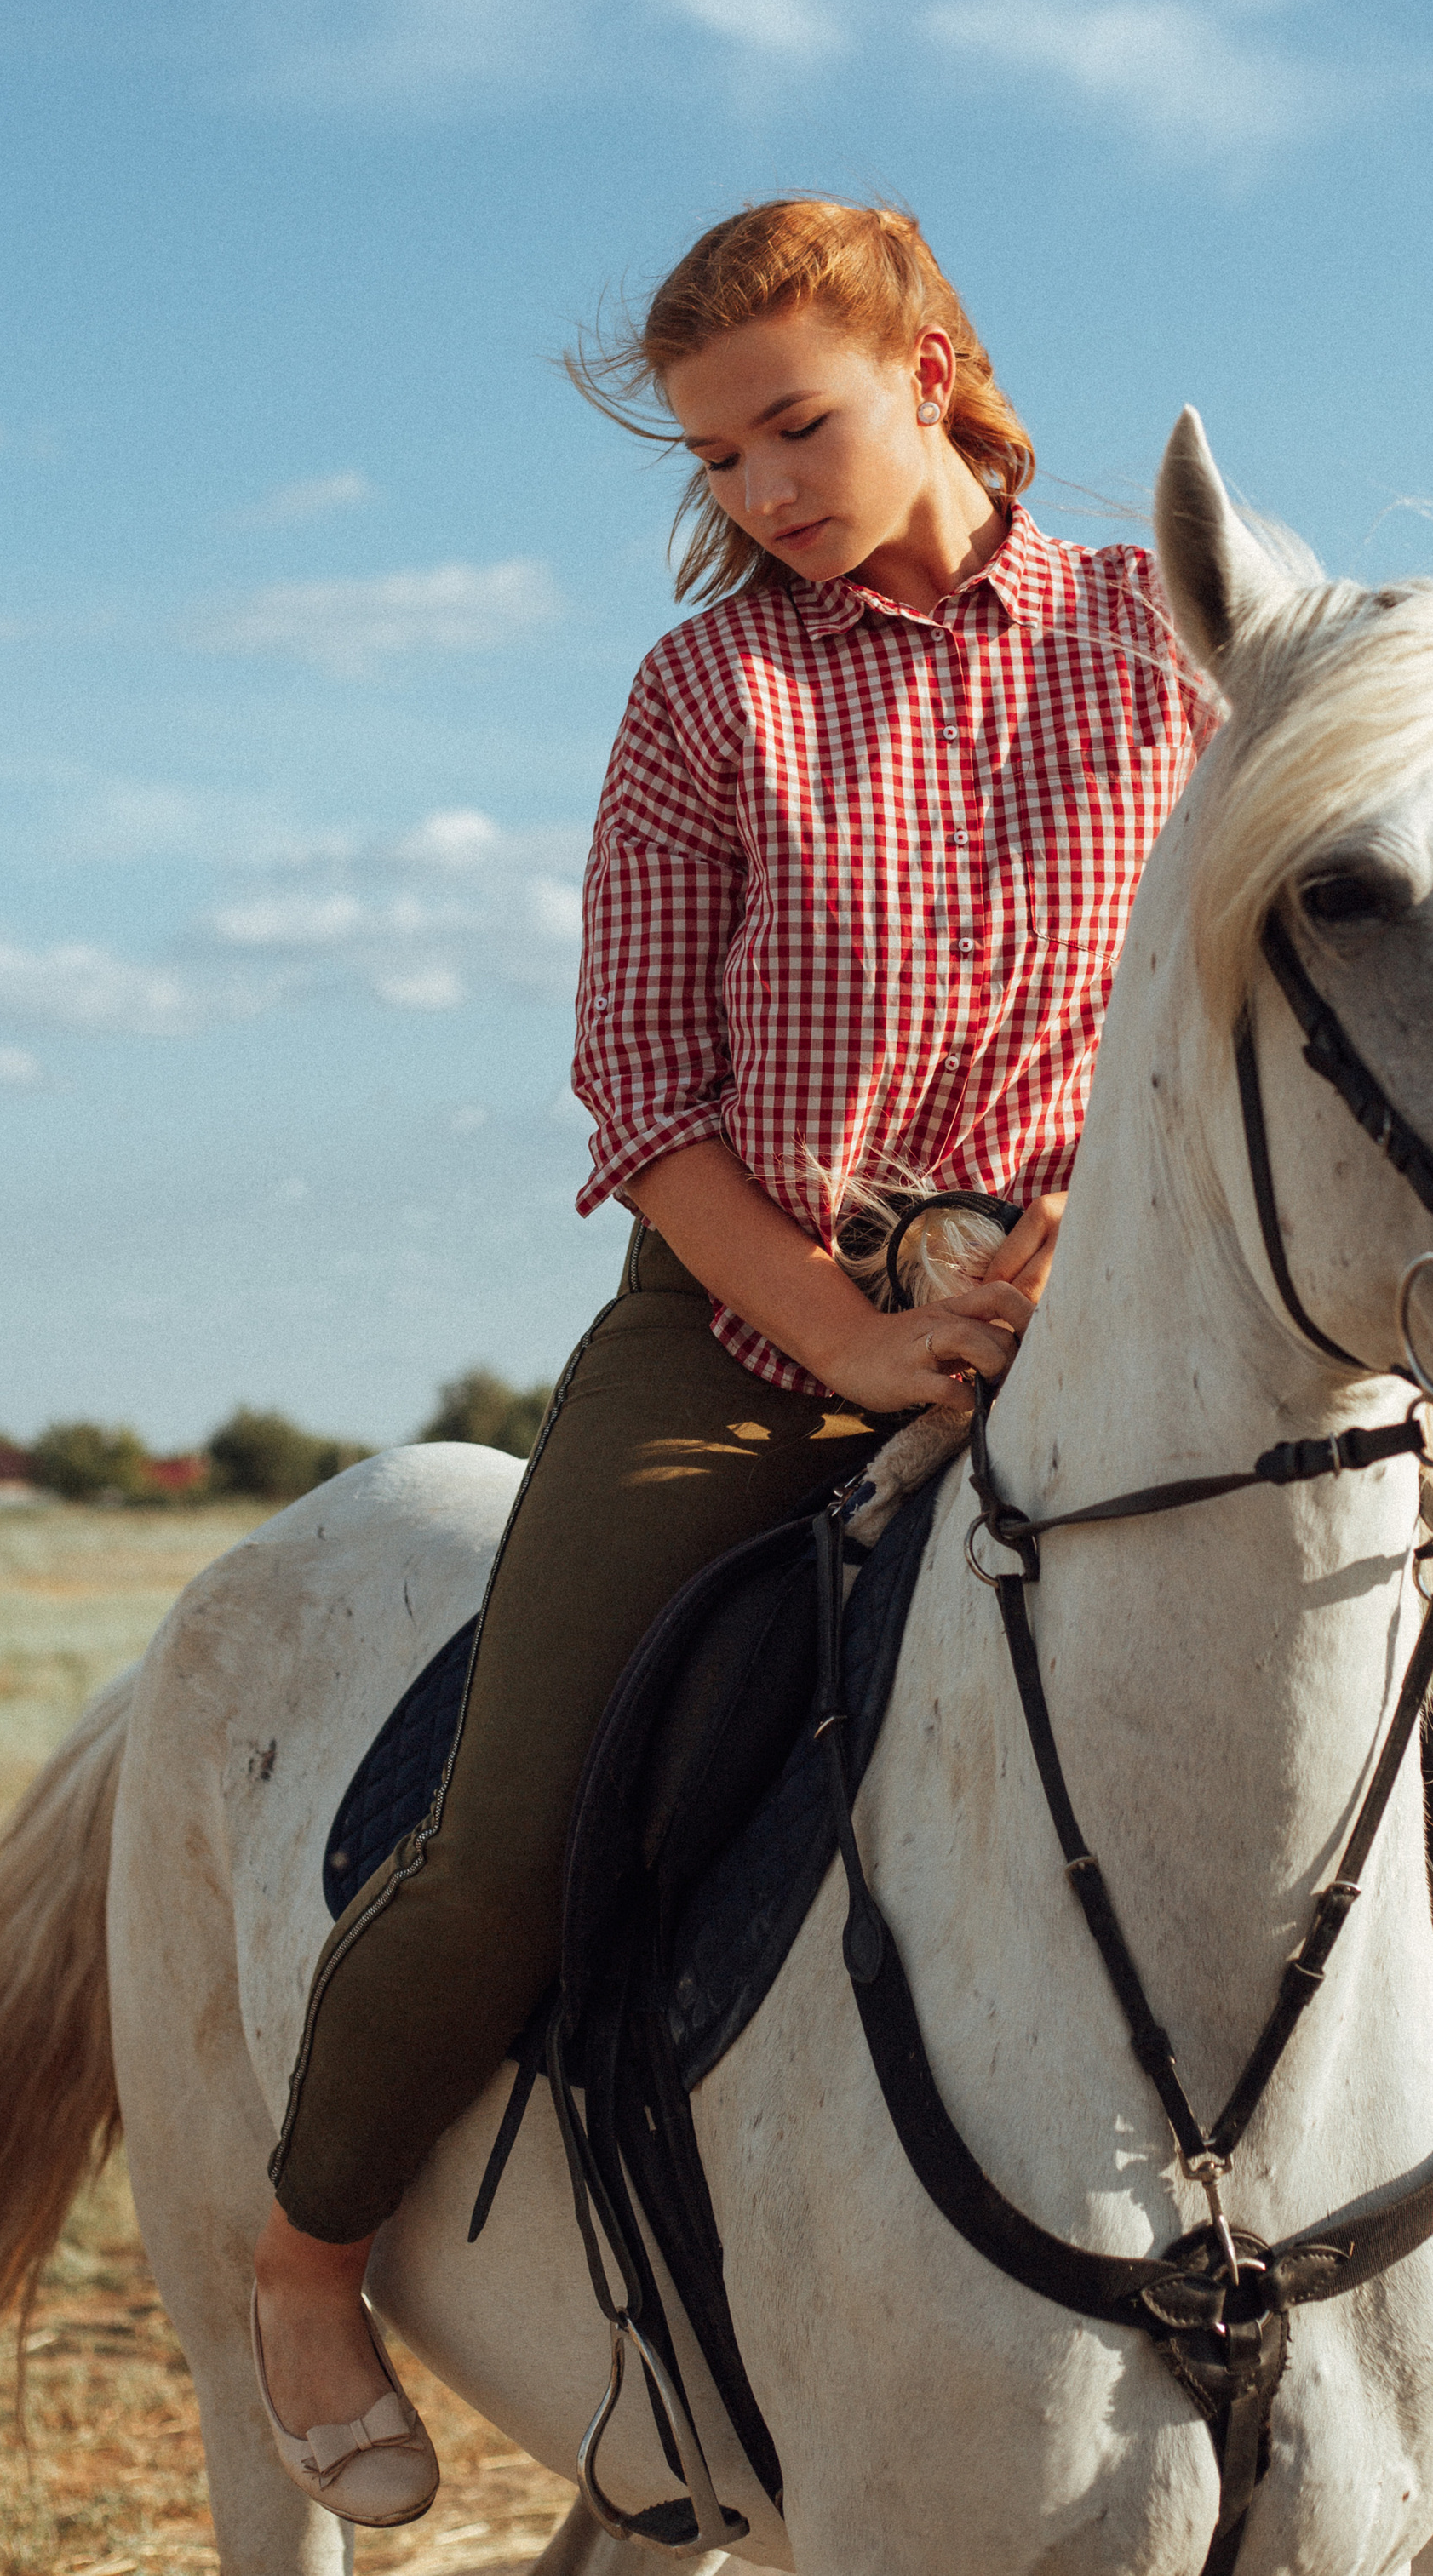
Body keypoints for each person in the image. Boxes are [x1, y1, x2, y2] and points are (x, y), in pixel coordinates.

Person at [247, 197, 1216, 2525]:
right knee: (512, 1832)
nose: (764, 488)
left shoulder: (1165, 641)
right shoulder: (706, 698)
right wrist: (870, 1347)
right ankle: (302, 2253)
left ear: (935, 369)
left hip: (1100, 1298)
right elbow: (651, 1112)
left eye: (798, 422)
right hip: (753, 1323)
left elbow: (1213, 1000)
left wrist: (1070, 1251)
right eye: (720, 458)